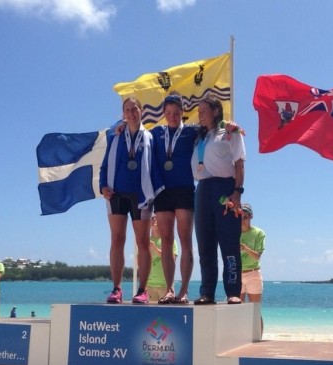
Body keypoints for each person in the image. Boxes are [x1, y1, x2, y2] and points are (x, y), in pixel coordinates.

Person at [100, 96, 159, 304]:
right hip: (116, 193)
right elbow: (105, 165)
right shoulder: (114, 137)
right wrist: (102, 186)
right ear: (122, 114)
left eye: (135, 109)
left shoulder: (151, 137)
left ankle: (142, 290)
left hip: (141, 195)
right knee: (117, 239)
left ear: (142, 111)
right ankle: (116, 289)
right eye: (127, 110)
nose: (131, 113)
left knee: (143, 242)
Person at [191, 95, 246, 305]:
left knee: (229, 243)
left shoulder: (230, 132)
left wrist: (238, 191)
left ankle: (233, 291)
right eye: (199, 111)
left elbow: (239, 164)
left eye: (204, 110)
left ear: (216, 111)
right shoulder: (198, 136)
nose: (200, 114)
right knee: (205, 245)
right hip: (202, 189)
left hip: (225, 188)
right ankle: (207, 292)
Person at [149, 94, 200, 304]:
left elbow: (215, 127)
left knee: (185, 240)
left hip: (185, 189)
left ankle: (184, 290)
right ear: (163, 114)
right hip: (162, 191)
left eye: (176, 113)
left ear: (182, 113)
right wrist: (119, 126)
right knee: (167, 240)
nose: (172, 117)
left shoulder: (191, 131)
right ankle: (169, 289)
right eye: (168, 113)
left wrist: (229, 125)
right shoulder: (155, 132)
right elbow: (132, 130)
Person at [239, 203, 266, 331]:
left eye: (246, 217)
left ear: (251, 217)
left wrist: (244, 248)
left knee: (255, 311)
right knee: (237, 311)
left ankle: (258, 340)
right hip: (237, 273)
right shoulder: (233, 232)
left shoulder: (258, 233)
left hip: (253, 273)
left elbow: (257, 256)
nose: (243, 220)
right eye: (240, 216)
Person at [147, 214, 178, 302]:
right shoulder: (145, 240)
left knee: (167, 315)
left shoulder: (169, 240)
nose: (153, 219)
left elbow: (172, 259)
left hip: (165, 285)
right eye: (151, 218)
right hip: (149, 285)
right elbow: (140, 262)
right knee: (150, 315)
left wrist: (155, 249)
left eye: (155, 217)